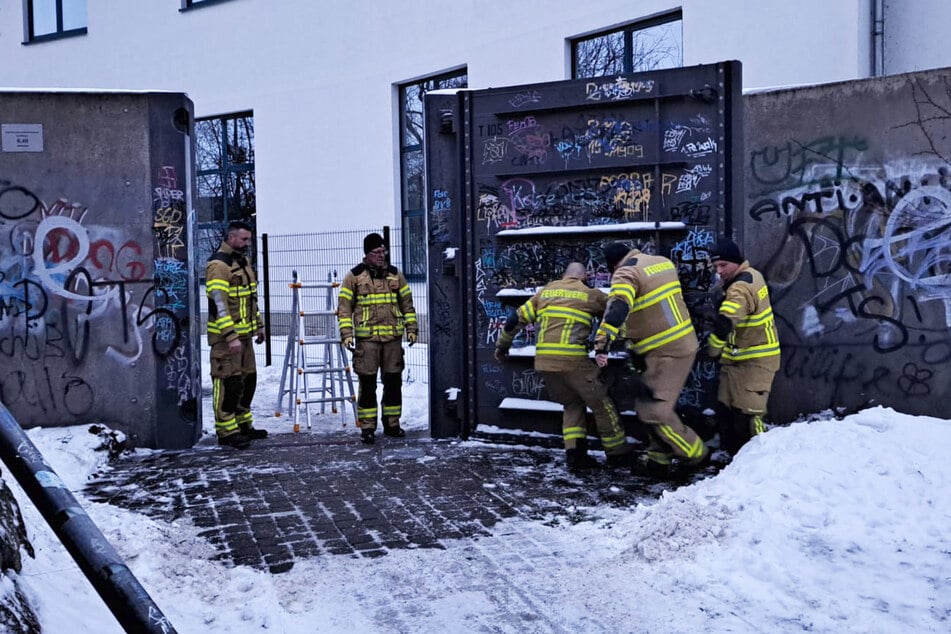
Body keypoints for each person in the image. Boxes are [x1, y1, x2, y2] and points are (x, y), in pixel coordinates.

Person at [495, 262, 635, 472]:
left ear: (564, 275)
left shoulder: (544, 293)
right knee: (601, 403)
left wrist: (502, 347)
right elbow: (615, 312)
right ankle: (618, 455)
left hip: (544, 362)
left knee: (571, 404)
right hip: (573, 361)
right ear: (584, 277)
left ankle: (575, 456)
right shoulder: (591, 294)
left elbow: (514, 320)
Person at [594, 242, 708, 477]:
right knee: (648, 404)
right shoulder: (662, 263)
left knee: (653, 411)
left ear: (613, 265)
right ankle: (659, 458)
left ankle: (696, 453)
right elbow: (651, 306)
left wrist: (602, 342)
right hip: (673, 345)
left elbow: (619, 306)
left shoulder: (626, 272)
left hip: (667, 351)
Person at [337, 233, 418, 444]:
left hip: (392, 339)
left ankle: (392, 423)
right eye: (377, 252)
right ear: (367, 254)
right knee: (368, 383)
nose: (382, 256)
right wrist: (347, 335)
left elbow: (407, 305)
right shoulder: (354, 277)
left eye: (384, 251)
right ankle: (367, 427)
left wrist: (412, 329)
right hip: (367, 341)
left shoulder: (395, 275)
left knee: (393, 382)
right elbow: (344, 310)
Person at [706, 237, 781, 455]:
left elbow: (726, 321)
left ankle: (759, 459)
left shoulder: (740, 287)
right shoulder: (752, 274)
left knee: (749, 416)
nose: (719, 271)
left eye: (723, 265)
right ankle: (733, 459)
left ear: (736, 262)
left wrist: (713, 348)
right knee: (727, 410)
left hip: (756, 361)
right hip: (738, 359)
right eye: (716, 266)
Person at [206, 220, 268, 449]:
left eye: (249, 239)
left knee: (246, 381)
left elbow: (251, 299)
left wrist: (259, 325)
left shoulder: (243, 263)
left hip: (245, 338)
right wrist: (230, 335)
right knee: (227, 383)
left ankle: (243, 425)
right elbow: (218, 305)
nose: (247, 243)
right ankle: (226, 430)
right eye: (244, 239)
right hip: (226, 341)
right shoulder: (218, 266)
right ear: (230, 238)